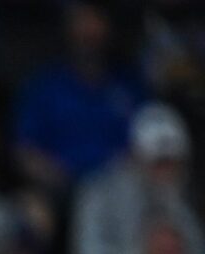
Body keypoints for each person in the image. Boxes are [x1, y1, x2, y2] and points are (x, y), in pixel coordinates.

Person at [73, 104, 204, 254]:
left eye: (172, 162)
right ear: (138, 157)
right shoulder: (103, 190)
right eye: (159, 162)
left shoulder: (176, 191)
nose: (166, 170)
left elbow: (196, 252)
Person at [12, 1, 146, 190]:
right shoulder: (45, 86)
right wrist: (55, 175)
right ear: (68, 27)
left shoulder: (129, 84)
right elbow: (25, 151)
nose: (89, 31)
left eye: (96, 20)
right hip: (61, 189)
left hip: (122, 188)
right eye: (81, 20)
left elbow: (148, 141)